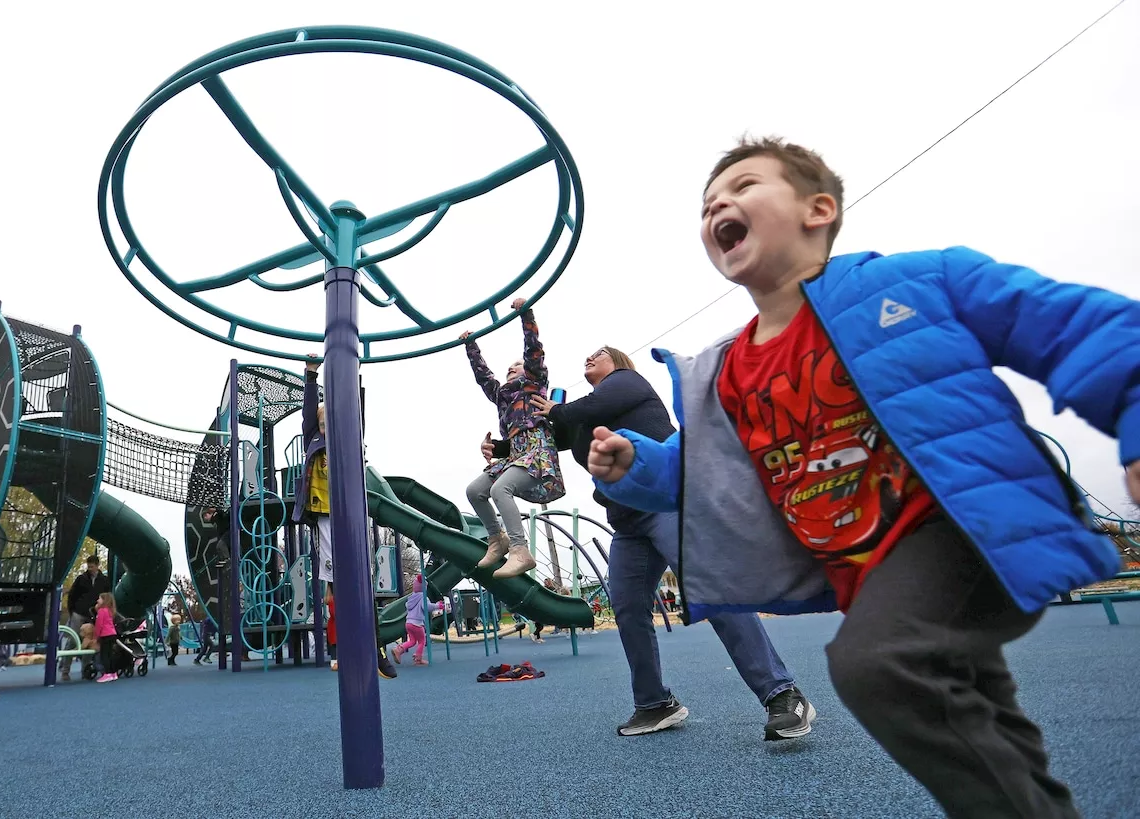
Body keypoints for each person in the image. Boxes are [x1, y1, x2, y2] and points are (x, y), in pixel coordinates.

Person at [588, 136, 1140, 818]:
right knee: (980, 716)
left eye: (743, 186)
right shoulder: (727, 372)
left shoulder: (913, 283)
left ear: (818, 209)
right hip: (863, 568)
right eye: (707, 205)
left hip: (961, 529)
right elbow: (707, 473)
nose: (718, 206)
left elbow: (1083, 330)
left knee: (877, 662)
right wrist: (637, 465)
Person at [523, 352, 812, 739]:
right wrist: (505, 453)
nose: (590, 356)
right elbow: (547, 446)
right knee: (627, 608)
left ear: (619, 361)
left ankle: (782, 692)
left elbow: (577, 411)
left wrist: (557, 408)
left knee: (712, 590)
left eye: (601, 353)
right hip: (626, 522)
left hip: (667, 505)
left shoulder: (627, 383)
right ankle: (655, 702)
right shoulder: (584, 417)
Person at [292, 354, 399, 680]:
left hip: (350, 515)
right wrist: (311, 375)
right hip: (324, 516)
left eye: (329, 424)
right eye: (322, 424)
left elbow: (357, 417)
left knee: (362, 578)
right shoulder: (314, 438)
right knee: (336, 583)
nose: (324, 428)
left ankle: (376, 644)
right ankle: (347, 645)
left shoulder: (347, 440)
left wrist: (353, 377)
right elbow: (310, 415)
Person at [460, 297, 565, 579]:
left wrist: (525, 314)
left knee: (499, 490)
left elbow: (533, 350)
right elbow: (483, 376)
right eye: (509, 367)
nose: (511, 368)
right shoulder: (501, 395)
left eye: (516, 366)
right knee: (475, 490)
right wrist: (471, 345)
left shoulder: (534, 383)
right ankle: (498, 539)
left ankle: (520, 550)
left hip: (536, 451)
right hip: (515, 455)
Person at [61, 554, 111, 682]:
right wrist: (72, 611)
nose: (90, 569)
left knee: (90, 641)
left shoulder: (104, 581)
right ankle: (65, 670)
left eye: (92, 567)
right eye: (88, 567)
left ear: (97, 566)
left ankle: (86, 670)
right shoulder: (81, 579)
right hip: (78, 613)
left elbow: (107, 597)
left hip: (92, 615)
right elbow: (72, 595)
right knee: (73, 639)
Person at [390, 574, 443, 666]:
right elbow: (426, 607)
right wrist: (438, 606)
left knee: (412, 641)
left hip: (408, 623)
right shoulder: (423, 597)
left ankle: (399, 649)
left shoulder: (411, 598)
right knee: (422, 641)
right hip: (417, 623)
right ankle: (418, 659)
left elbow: (408, 606)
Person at [94, 592, 119, 683]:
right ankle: (113, 673)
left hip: (105, 635)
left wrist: (96, 636)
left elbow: (99, 625)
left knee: (104, 655)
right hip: (112, 634)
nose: (97, 600)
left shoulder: (101, 611)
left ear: (104, 600)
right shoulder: (110, 610)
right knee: (110, 654)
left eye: (99, 599)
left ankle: (107, 673)